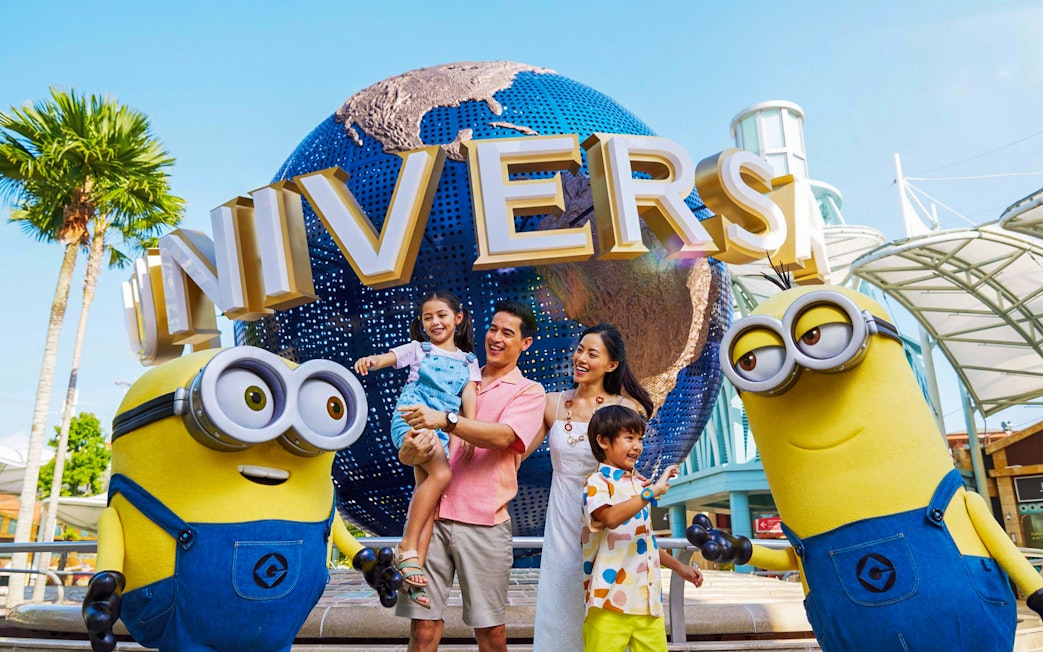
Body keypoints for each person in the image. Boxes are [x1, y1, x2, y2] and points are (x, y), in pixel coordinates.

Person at [395, 300, 547, 652]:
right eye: (493, 329)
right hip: (430, 522)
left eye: (507, 333)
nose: (496, 338)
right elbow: (413, 446)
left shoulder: (529, 391)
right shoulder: (454, 371)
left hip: (484, 524)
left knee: (491, 634)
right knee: (423, 630)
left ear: (525, 343)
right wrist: (408, 451)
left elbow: (505, 437)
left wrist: (447, 421)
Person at [529, 323, 654, 652]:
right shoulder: (552, 403)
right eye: (579, 349)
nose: (581, 358)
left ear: (612, 365)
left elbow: (629, 470)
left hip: (605, 520)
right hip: (561, 520)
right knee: (559, 603)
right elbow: (516, 450)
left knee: (605, 609)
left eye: (592, 353)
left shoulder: (627, 408)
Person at [353, 290, 481, 608]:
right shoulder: (418, 350)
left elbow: (470, 400)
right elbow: (387, 358)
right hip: (411, 419)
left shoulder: (469, 362)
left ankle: (411, 576)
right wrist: (371, 362)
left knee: (428, 504)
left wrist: (468, 433)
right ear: (422, 323)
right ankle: (407, 546)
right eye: (428, 317)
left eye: (442, 315)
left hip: (441, 432)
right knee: (442, 475)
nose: (435, 322)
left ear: (458, 318)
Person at [582, 405, 703, 652]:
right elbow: (610, 518)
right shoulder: (597, 483)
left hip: (648, 604)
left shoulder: (639, 485)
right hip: (608, 602)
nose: (637, 446)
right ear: (603, 441)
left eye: (640, 439)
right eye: (629, 438)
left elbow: (645, 542)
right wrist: (650, 493)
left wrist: (681, 568)